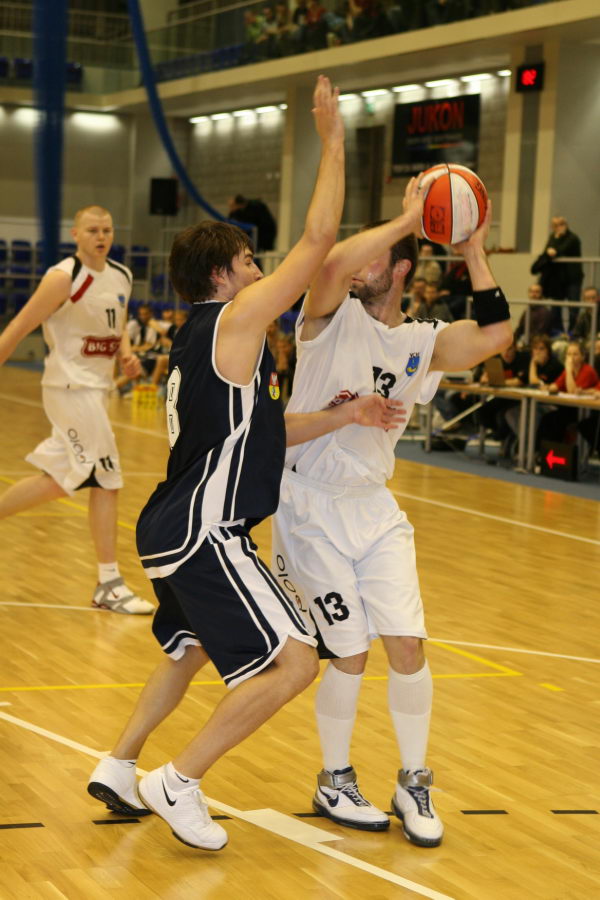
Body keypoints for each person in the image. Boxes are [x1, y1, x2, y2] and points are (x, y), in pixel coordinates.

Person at [86, 76, 356, 852]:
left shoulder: (204, 343)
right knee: (295, 663)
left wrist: (345, 416)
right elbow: (318, 241)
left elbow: (264, 432)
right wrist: (333, 141)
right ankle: (180, 780)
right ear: (222, 276)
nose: (259, 269)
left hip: (172, 526)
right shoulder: (234, 322)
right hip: (207, 529)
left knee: (191, 650)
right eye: (248, 260)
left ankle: (119, 764)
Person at [271, 198, 512, 847]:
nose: (359, 264)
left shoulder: (421, 341)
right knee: (350, 650)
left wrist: (471, 249)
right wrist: (410, 218)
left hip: (374, 507)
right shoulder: (328, 315)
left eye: (376, 255)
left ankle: (413, 781)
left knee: (408, 644)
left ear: (401, 268)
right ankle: (334, 778)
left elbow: (495, 337)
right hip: (308, 504)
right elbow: (331, 264)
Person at [0, 205, 154, 615]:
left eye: (106, 230)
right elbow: (18, 327)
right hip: (69, 387)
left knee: (57, 480)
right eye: (92, 230)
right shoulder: (63, 277)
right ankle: (109, 584)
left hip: (95, 389)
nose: (101, 237)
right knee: (106, 478)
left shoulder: (121, 275)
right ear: (75, 234)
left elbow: (118, 322)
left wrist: (125, 355)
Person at [531, 216, 583, 332]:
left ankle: (572, 332)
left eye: (561, 224)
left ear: (566, 225)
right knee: (556, 308)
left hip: (572, 278)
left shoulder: (572, 238)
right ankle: (558, 331)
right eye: (555, 225)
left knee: (573, 308)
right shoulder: (552, 237)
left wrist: (557, 239)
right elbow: (547, 252)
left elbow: (559, 251)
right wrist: (555, 241)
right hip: (558, 279)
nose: (558, 227)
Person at [513, 283, 553, 347]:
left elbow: (540, 333)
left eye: (537, 292)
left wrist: (524, 343)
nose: (534, 294)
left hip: (539, 344)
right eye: (531, 291)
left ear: (541, 294)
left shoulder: (545, 312)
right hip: (527, 342)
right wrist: (513, 341)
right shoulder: (527, 311)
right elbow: (520, 328)